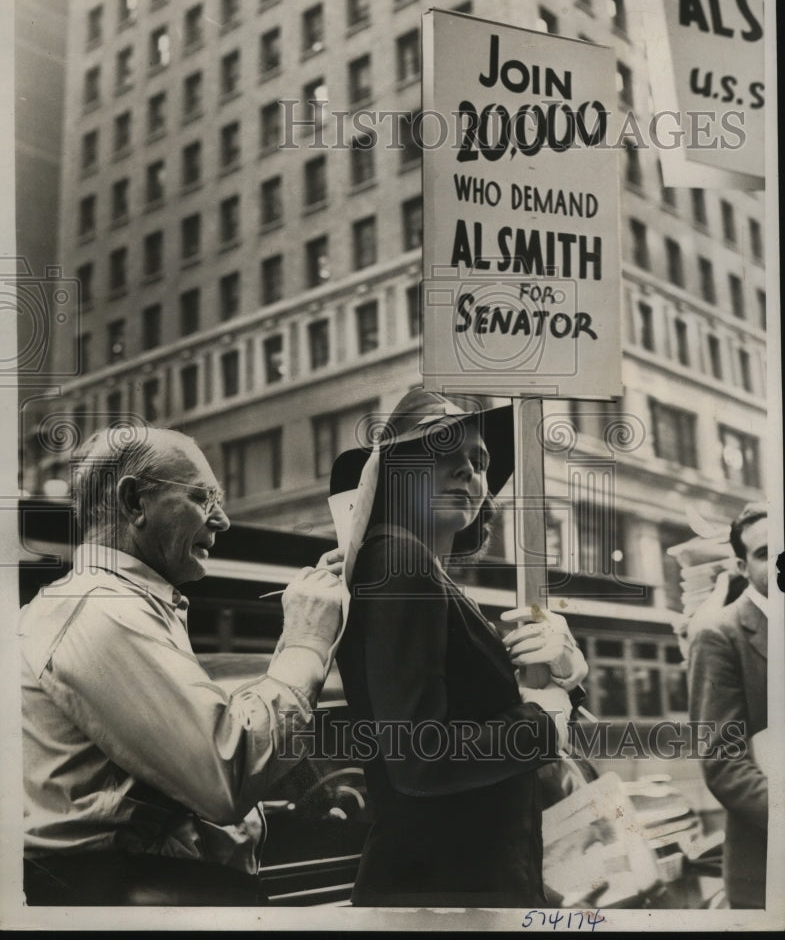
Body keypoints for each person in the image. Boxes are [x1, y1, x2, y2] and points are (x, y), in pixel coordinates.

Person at [20, 426, 342, 906]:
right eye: (202, 497)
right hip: (132, 900)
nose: (222, 520)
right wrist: (305, 640)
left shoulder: (103, 605)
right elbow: (226, 772)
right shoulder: (102, 611)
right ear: (134, 503)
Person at [330, 388, 588, 908]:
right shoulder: (399, 561)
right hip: (439, 897)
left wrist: (566, 671)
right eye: (440, 450)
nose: (466, 470)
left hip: (461, 888)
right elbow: (421, 757)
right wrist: (546, 720)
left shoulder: (425, 576)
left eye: (479, 460)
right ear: (393, 470)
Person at [688, 502, 769, 909]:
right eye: (764, 553)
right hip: (769, 866)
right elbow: (723, 762)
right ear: (741, 566)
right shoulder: (719, 635)